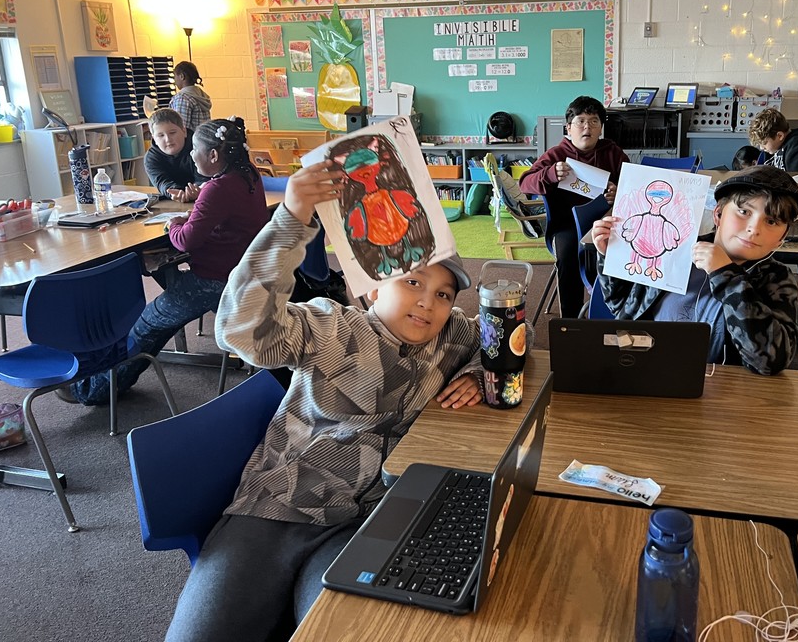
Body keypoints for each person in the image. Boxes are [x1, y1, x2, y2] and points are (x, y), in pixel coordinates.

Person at [164, 158, 485, 642]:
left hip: (366, 521)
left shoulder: (454, 337)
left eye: (444, 294)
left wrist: (481, 375)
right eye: (413, 282)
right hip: (279, 509)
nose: (427, 302)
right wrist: (290, 222)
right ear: (374, 285)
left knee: (342, 632)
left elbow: (503, 340)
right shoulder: (330, 327)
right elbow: (240, 329)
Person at [67, 118, 269, 405]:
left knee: (146, 326)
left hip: (213, 281)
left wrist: (175, 224)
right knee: (161, 302)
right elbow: (222, 220)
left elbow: (184, 240)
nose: (190, 154)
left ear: (213, 155)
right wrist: (196, 217)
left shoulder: (218, 188)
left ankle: (92, 391)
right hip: (241, 275)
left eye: (195, 149)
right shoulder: (248, 174)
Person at [591, 165, 798, 375]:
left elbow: (771, 361)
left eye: (772, 221)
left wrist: (726, 276)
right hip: (645, 371)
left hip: (723, 390)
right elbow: (619, 306)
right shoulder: (676, 252)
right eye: (744, 211)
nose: (754, 229)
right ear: (718, 214)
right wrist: (610, 258)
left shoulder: (776, 279)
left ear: (781, 239)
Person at [518, 95, 629, 317]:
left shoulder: (612, 153)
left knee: (631, 246)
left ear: (601, 128)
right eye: (580, 121)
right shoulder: (556, 154)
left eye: (594, 121)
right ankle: (571, 321)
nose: (587, 126)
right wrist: (550, 174)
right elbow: (524, 184)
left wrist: (620, 191)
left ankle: (617, 312)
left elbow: (633, 185)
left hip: (607, 221)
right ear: (569, 127)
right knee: (568, 252)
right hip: (566, 225)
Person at [144, 108, 207, 202]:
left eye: (172, 133)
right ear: (154, 138)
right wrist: (176, 192)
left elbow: (204, 177)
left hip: (204, 198)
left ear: (184, 132)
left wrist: (198, 190)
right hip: (174, 201)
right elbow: (162, 182)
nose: (168, 139)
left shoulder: (200, 148)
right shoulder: (151, 158)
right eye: (161, 135)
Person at [144, 60, 212, 133]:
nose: (175, 81)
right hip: (201, 140)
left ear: (182, 76)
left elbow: (179, 127)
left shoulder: (182, 98)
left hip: (189, 142)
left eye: (175, 77)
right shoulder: (201, 95)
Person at [747, 108, 798, 172]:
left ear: (780, 136)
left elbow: (796, 181)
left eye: (765, 143)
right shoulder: (773, 148)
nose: (761, 148)